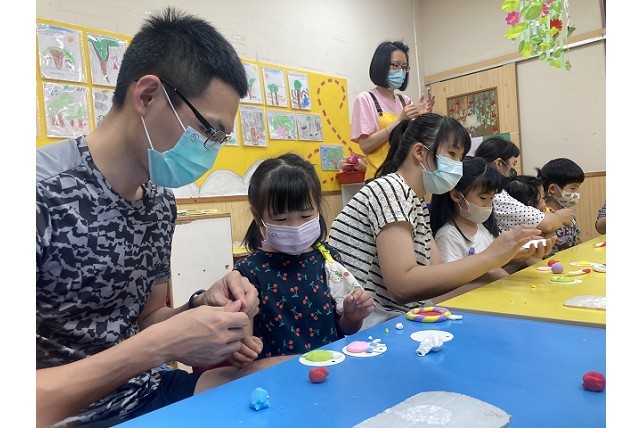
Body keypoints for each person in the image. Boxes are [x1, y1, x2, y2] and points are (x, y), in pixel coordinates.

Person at [36, 8, 271, 427]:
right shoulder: (39, 192)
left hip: (145, 393)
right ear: (146, 96)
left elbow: (146, 321)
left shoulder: (160, 202)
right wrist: (162, 345)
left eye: (221, 138)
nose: (211, 150)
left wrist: (200, 307)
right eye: (207, 131)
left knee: (288, 378)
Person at [328, 113, 543, 328]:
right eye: (452, 154)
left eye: (460, 157)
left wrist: (504, 260)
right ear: (420, 152)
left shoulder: (416, 202)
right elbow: (402, 286)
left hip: (393, 318)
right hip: (366, 325)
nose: (458, 165)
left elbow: (439, 281)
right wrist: (490, 257)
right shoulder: (390, 190)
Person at [232, 154, 375, 362]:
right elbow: (241, 344)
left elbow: (344, 328)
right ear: (257, 215)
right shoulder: (248, 272)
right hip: (278, 375)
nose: (295, 227)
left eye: (306, 216)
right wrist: (241, 348)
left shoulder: (329, 260)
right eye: (281, 218)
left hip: (329, 368)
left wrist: (352, 316)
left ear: (318, 207)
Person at [430, 157, 552, 288]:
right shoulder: (448, 236)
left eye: (492, 198)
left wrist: (517, 255)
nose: (489, 205)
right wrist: (495, 272)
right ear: (457, 196)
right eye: (483, 198)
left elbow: (495, 264)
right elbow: (451, 283)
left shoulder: (484, 227)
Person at [351, 41, 434, 181]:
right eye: (395, 65)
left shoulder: (405, 101)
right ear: (381, 66)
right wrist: (399, 121)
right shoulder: (366, 99)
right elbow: (365, 146)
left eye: (404, 67)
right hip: (379, 178)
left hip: (405, 177)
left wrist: (422, 120)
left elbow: (415, 144)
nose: (401, 71)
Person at [474, 137, 574, 237]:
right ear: (499, 163)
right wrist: (560, 216)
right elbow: (547, 224)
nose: (513, 171)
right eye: (513, 164)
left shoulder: (495, 190)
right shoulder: (496, 195)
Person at [537, 158, 585, 253]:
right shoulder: (541, 216)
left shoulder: (567, 211)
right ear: (553, 189)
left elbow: (576, 240)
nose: (577, 193)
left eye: (578, 188)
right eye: (573, 188)